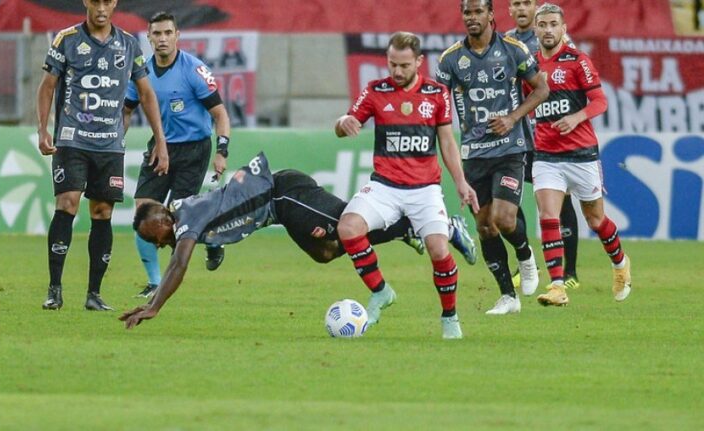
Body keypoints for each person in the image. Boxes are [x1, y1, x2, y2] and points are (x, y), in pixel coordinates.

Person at [119, 152, 446, 328]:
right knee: (326, 252)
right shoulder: (186, 211)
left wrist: (154, 306)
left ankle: (418, 225)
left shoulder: (185, 218)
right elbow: (215, 222)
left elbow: (180, 262)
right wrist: (215, 250)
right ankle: (406, 229)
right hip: (280, 211)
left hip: (285, 195)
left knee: (348, 227)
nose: (161, 244)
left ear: (163, 218)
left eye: (156, 237)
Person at [334, 32, 479, 340]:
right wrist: (342, 122)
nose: (397, 72)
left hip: (425, 189)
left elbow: (447, 142)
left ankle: (450, 317)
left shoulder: (437, 93)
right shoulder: (375, 90)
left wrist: (461, 183)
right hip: (384, 186)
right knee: (348, 229)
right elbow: (344, 125)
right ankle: (381, 291)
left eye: (403, 65)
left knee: (438, 251)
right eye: (391, 64)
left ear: (418, 62)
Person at [37, 0, 169, 311]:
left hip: (109, 144)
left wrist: (160, 141)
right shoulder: (66, 40)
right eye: (96, 1)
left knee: (102, 213)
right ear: (86, 2)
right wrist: (43, 129)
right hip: (72, 139)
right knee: (67, 203)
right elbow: (47, 86)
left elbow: (147, 93)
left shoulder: (128, 44)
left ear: (115, 4)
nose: (101, 7)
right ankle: (55, 289)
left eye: (107, 1)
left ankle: (93, 294)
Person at [436, 0, 549, 315]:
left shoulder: (513, 50)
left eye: (477, 12)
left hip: (510, 148)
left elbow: (541, 89)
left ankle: (526, 256)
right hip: (473, 153)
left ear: (490, 15)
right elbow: (435, 102)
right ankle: (507, 297)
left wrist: (513, 118)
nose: (472, 18)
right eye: (467, 13)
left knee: (503, 218)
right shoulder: (451, 60)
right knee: (485, 226)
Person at [123, 11, 231, 299]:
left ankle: (212, 237)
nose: (162, 39)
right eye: (156, 34)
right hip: (159, 148)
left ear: (177, 36)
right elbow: (126, 110)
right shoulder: (141, 72)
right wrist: (113, 143)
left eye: (167, 33)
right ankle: (155, 282)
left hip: (194, 150)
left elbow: (220, 114)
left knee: (182, 217)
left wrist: (222, 151)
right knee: (143, 213)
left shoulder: (194, 71)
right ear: (148, 37)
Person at [531, 3, 631, 306]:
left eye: (553, 24)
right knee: (549, 216)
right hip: (546, 154)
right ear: (535, 29)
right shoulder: (530, 66)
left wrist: (577, 118)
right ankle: (557, 287)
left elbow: (600, 101)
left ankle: (620, 264)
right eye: (543, 24)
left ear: (563, 29)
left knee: (596, 220)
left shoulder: (577, 61)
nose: (548, 30)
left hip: (581, 153)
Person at [507, 0, 581, 290]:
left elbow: (569, 78)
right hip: (519, 135)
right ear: (509, 10)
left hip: (549, 134)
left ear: (534, 8)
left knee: (561, 202)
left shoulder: (554, 39)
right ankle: (527, 264)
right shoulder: (505, 43)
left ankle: (570, 270)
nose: (522, 9)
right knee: (508, 197)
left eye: (527, 3)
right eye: (517, 4)